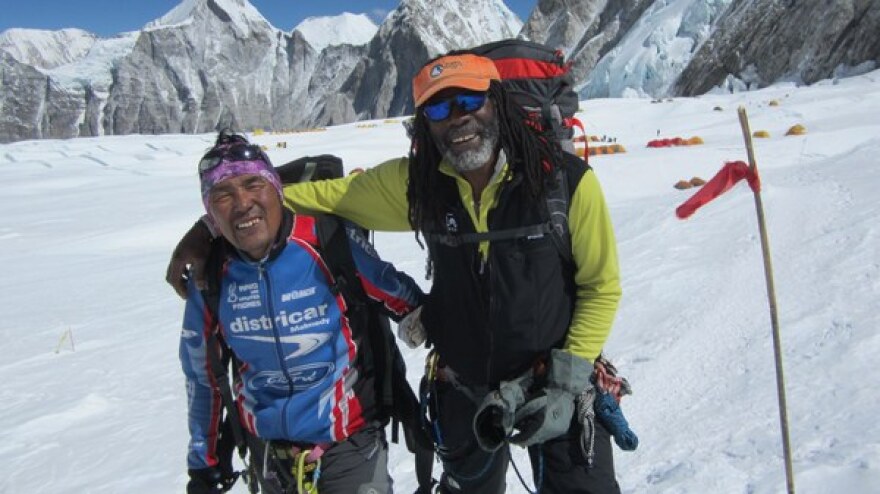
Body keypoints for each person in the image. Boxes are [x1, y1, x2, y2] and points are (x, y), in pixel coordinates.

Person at [170, 52, 623, 493]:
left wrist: (569, 376)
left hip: (557, 375)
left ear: (497, 102)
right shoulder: (420, 185)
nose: (457, 118)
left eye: (469, 101)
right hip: (462, 386)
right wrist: (211, 224)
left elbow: (601, 287)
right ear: (426, 122)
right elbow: (317, 196)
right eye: (440, 108)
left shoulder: (564, 182)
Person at [180, 131, 424, 493]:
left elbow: (400, 297)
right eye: (223, 194)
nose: (243, 203)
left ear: (277, 190)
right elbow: (203, 376)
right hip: (268, 458)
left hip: (349, 444)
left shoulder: (324, 241)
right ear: (210, 211)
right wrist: (205, 463)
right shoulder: (211, 277)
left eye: (253, 185)